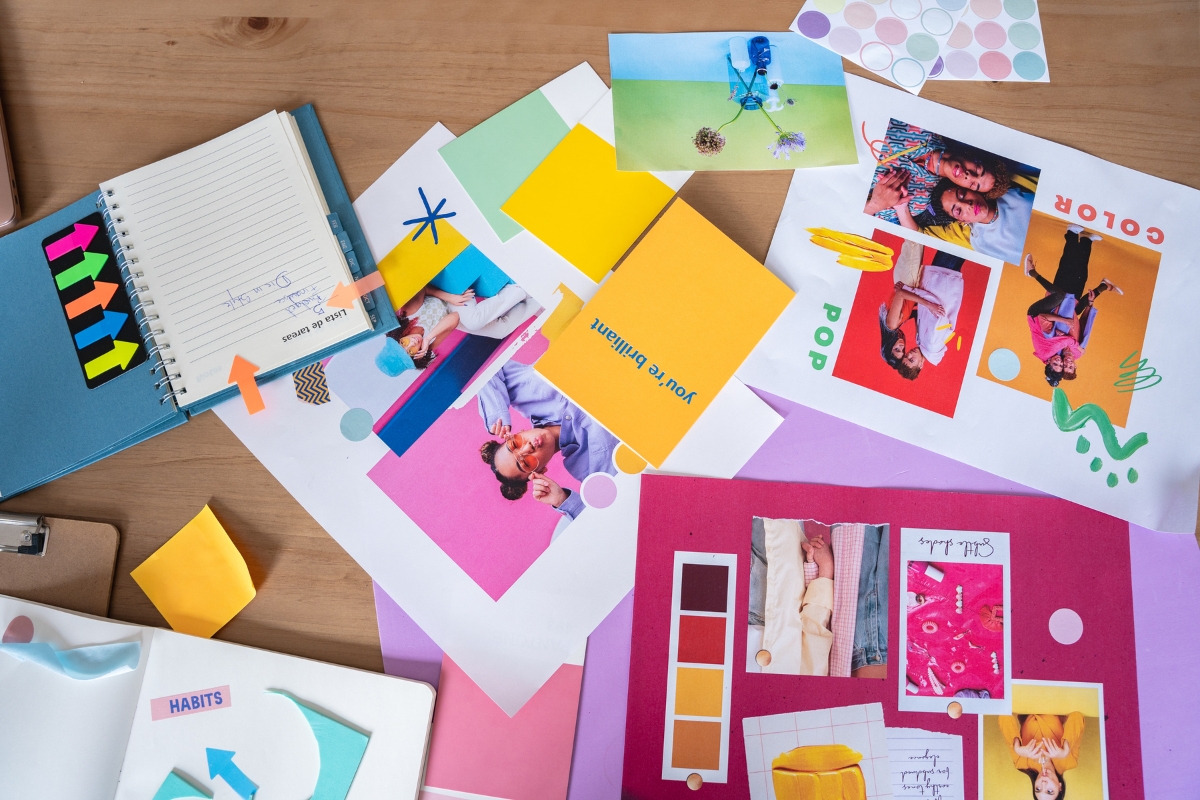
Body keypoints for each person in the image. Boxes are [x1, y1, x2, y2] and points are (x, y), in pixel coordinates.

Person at [477, 361, 618, 521]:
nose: (527, 448)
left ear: (518, 433)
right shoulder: (589, 466)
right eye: (525, 463)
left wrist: (497, 417)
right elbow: (617, 516)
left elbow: (487, 364)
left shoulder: (524, 394)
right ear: (539, 472)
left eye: (515, 444)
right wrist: (562, 500)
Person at [1023, 226, 1121, 386]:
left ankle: (1070, 235)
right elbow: (1074, 330)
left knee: (1066, 272)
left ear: (1048, 365)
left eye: (1057, 364)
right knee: (1080, 276)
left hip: (1039, 313)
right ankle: (1086, 240)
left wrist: (1078, 347)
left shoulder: (1047, 352)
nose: (1060, 362)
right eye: (1062, 365)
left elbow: (1066, 339)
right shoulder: (1059, 353)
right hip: (1062, 309)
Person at [864, 124, 1012, 225]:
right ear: (974, 156)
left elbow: (854, 221)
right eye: (978, 169)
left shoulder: (919, 200)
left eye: (973, 184)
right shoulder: (926, 128)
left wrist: (874, 205)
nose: (969, 175)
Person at [390, 282, 534, 368]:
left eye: (404, 343)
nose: (412, 344)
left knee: (474, 321)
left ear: (399, 336)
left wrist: (450, 297)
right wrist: (428, 339)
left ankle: (519, 289)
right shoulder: (426, 344)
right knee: (499, 331)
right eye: (410, 352)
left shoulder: (408, 314)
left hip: (449, 292)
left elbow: (423, 288)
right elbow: (454, 319)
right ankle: (536, 300)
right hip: (453, 311)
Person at [891, 181, 1035, 265]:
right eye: (958, 211)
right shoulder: (976, 240)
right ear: (961, 221)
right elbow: (917, 235)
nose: (968, 205)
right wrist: (901, 207)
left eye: (962, 195)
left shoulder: (1007, 190)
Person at [878, 250, 966, 380]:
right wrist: (908, 291)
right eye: (911, 360)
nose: (909, 354)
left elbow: (924, 313)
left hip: (939, 278)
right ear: (920, 365)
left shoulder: (923, 343)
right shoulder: (931, 343)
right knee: (959, 239)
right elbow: (938, 311)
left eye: (906, 356)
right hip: (942, 278)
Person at [998, 712, 1086, 800]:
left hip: (1027, 705)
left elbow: (1004, 715)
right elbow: (1077, 716)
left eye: (1038, 789)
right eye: (1049, 791)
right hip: (1053, 704)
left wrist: (1016, 746)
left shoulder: (1021, 763)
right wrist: (1066, 749)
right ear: (1060, 787)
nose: (1043, 783)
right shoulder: (1070, 761)